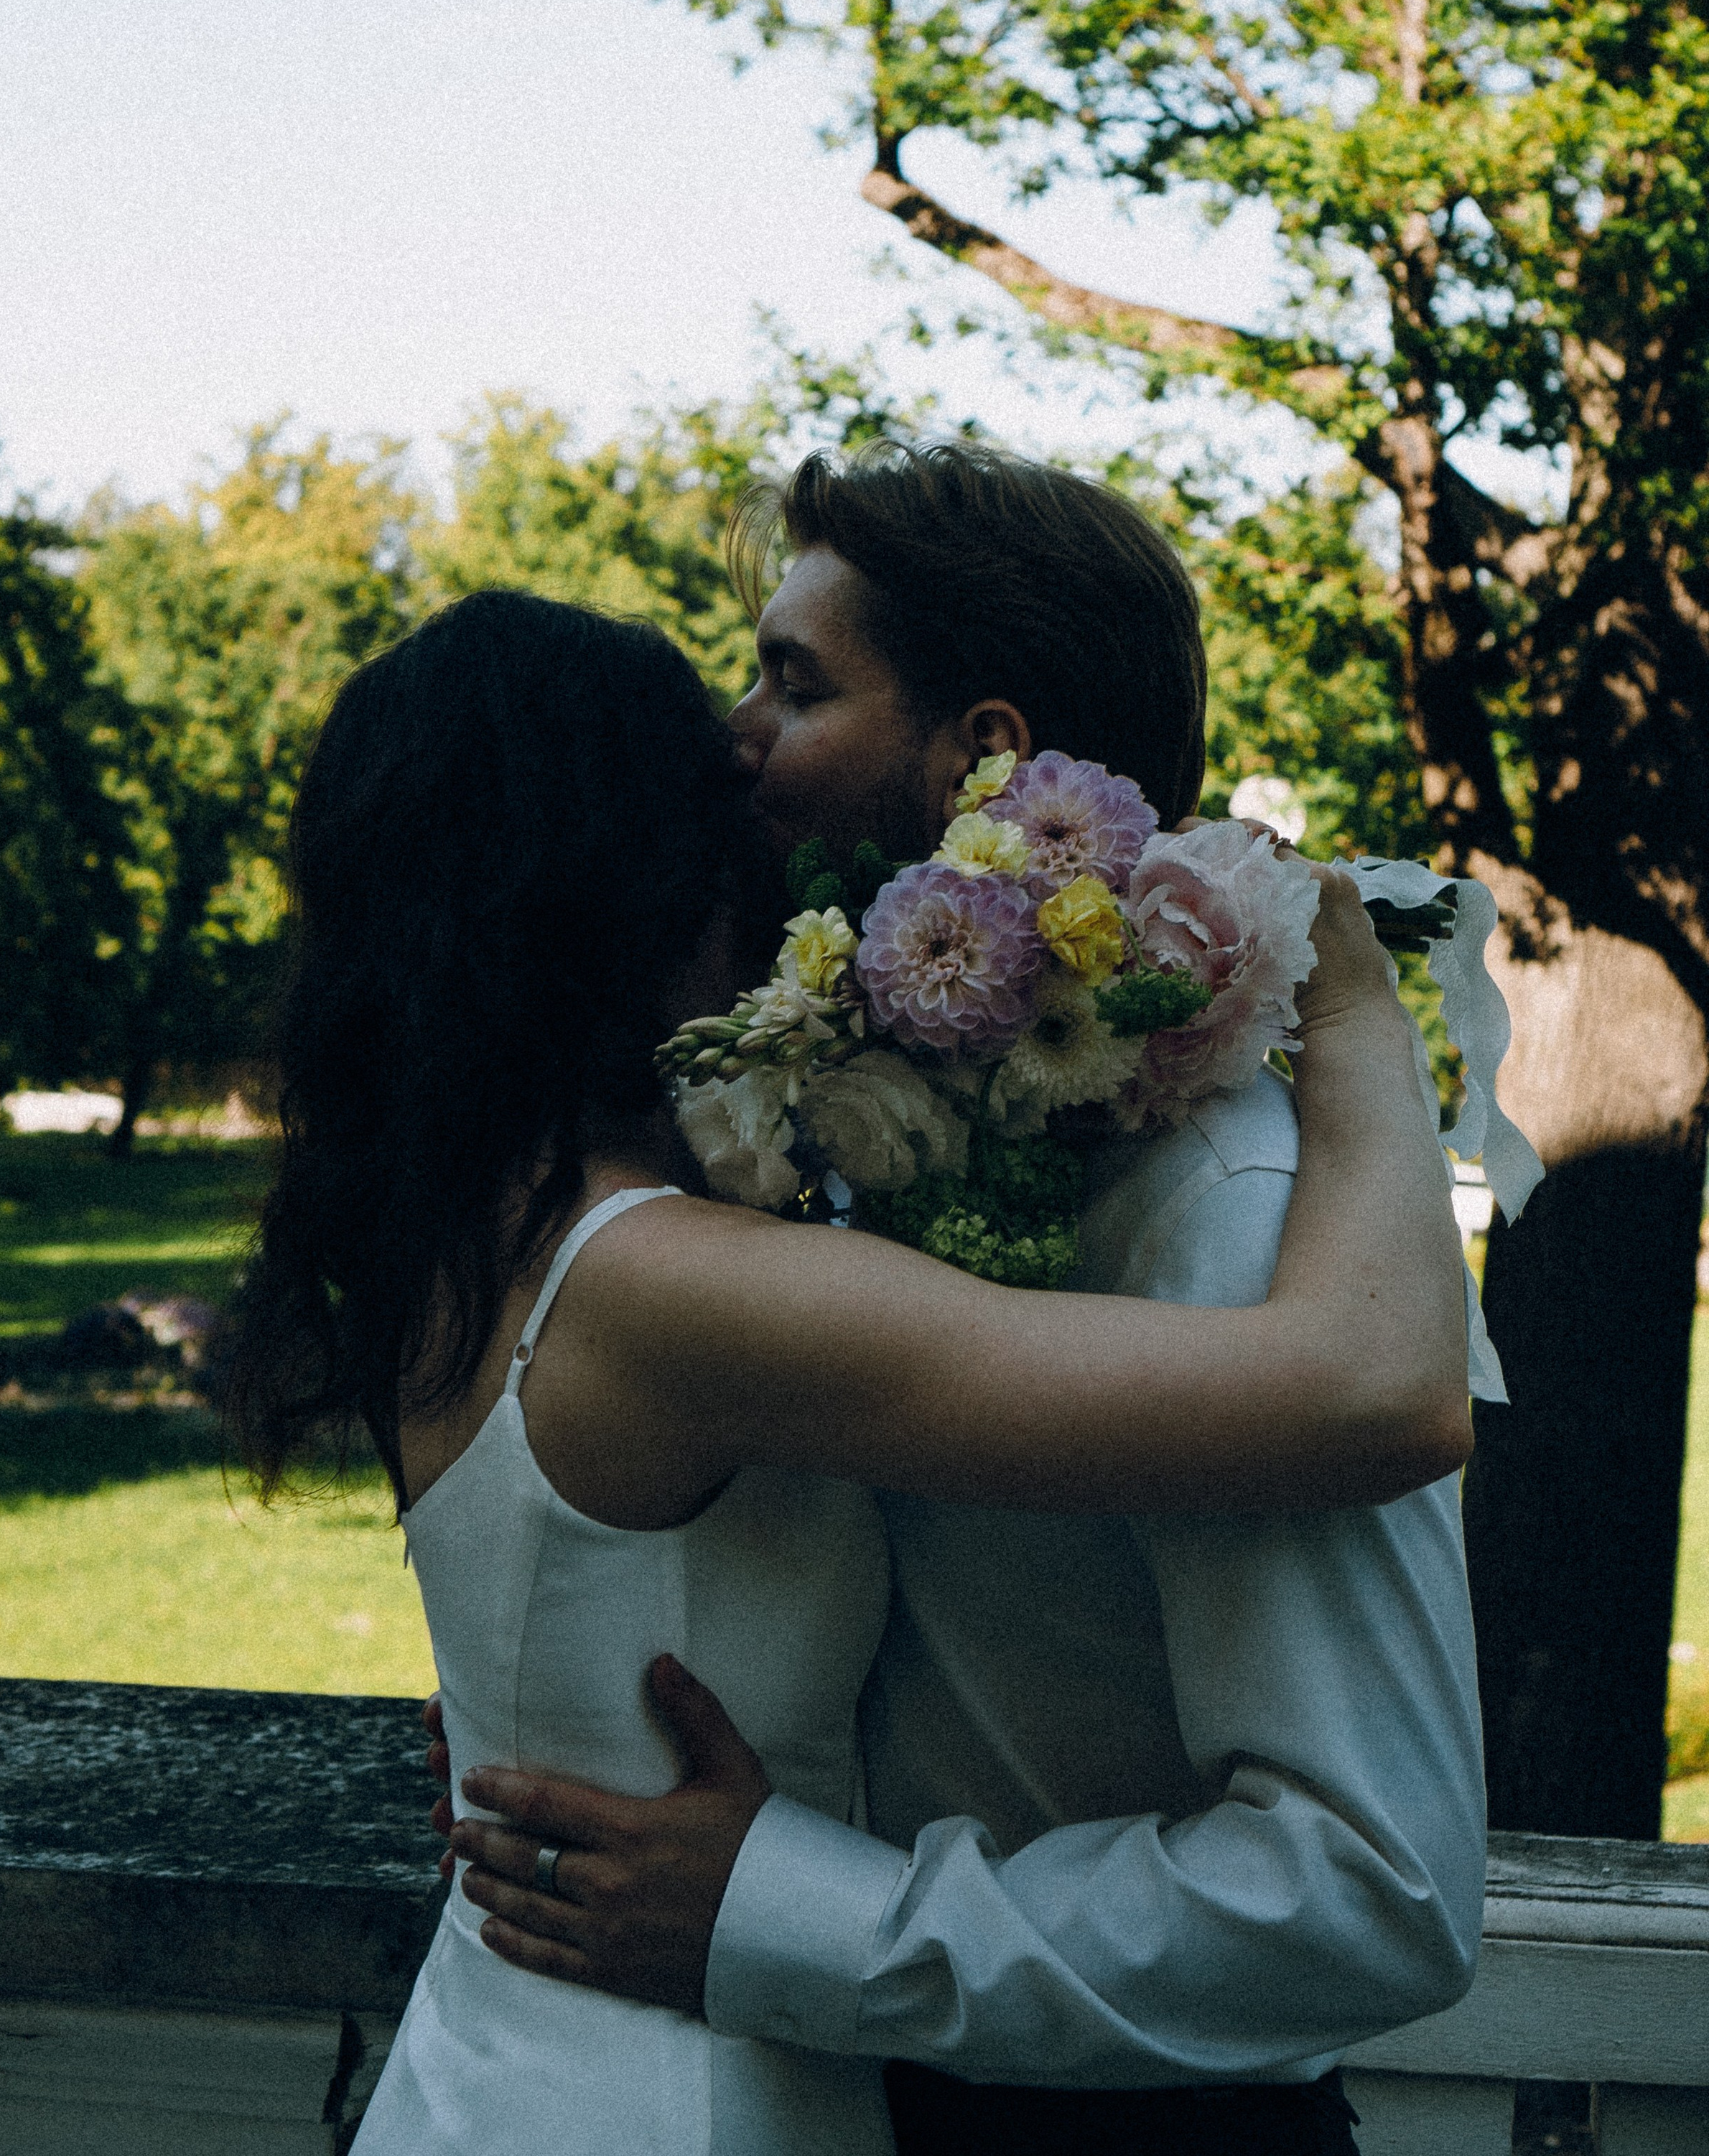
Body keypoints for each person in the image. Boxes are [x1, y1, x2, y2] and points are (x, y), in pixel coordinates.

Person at [428, 447, 1494, 2156]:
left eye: (793, 685)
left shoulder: (1224, 1215)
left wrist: (793, 1919)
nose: (729, 739)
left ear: (982, 755)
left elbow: (1372, 1890)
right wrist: (567, 1712)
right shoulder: (840, 1136)